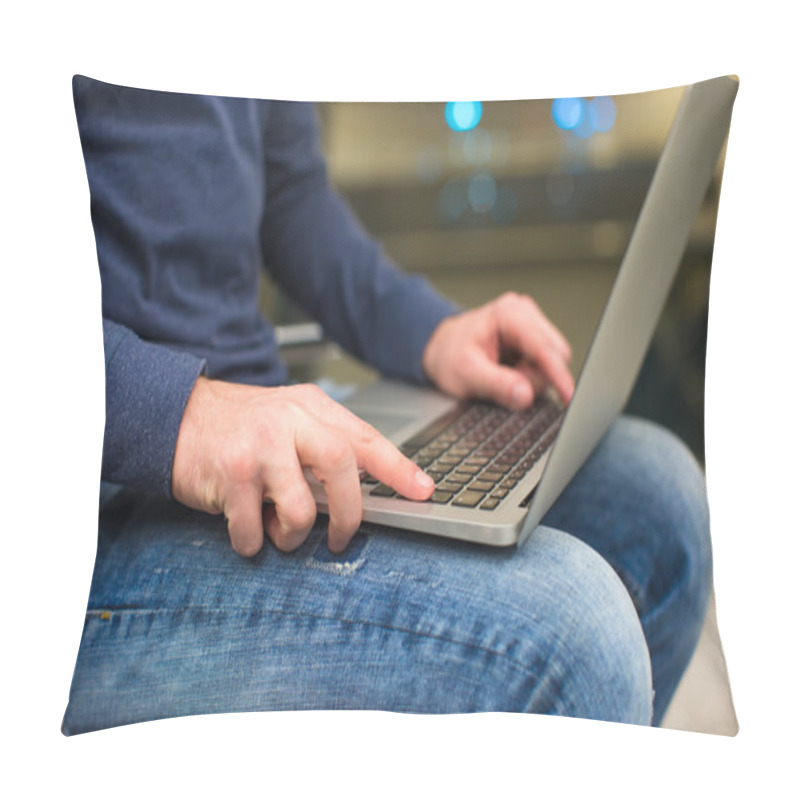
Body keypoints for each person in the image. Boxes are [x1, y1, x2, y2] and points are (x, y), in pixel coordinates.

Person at [62, 75, 713, 734]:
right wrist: (185, 419)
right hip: (89, 502)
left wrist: (429, 333)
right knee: (572, 639)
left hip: (262, 410)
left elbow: (292, 193)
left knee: (661, 501)